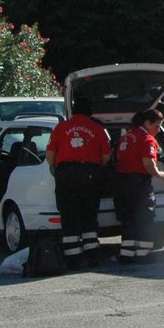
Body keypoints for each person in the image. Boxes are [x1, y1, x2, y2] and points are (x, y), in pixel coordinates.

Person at [45, 94, 111, 270]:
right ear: (90, 112)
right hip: (89, 174)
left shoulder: (61, 128)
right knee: (89, 214)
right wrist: (96, 169)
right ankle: (93, 256)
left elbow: (50, 155)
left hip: (66, 173)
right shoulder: (97, 129)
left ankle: (73, 259)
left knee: (69, 215)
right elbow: (106, 156)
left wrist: (56, 170)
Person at [113, 107, 164, 266]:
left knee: (128, 219)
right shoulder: (147, 139)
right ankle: (144, 255)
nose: (158, 130)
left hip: (122, 183)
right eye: (157, 126)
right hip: (139, 184)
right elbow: (148, 163)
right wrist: (159, 174)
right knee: (145, 218)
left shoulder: (126, 137)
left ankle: (127, 255)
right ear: (147, 123)